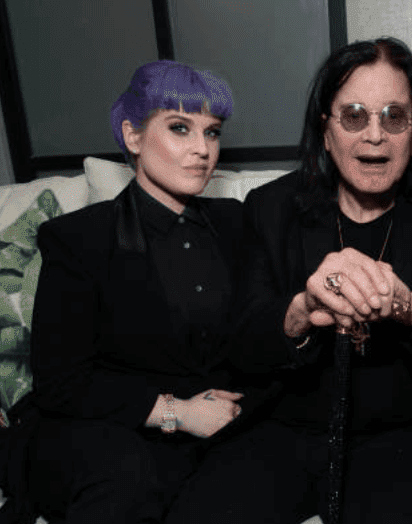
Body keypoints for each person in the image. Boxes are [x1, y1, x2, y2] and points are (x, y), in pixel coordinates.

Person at [165, 37, 412, 524]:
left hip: (397, 440)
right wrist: (302, 310)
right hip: (280, 430)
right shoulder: (270, 208)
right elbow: (242, 344)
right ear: (326, 133)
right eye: (353, 116)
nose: (374, 136)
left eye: (394, 116)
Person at [25, 60, 260, 523]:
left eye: (212, 132)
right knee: (127, 476)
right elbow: (61, 382)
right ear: (133, 137)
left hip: (208, 435)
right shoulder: (78, 239)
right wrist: (176, 413)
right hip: (103, 431)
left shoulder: (235, 222)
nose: (202, 150)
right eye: (180, 128)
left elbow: (256, 334)